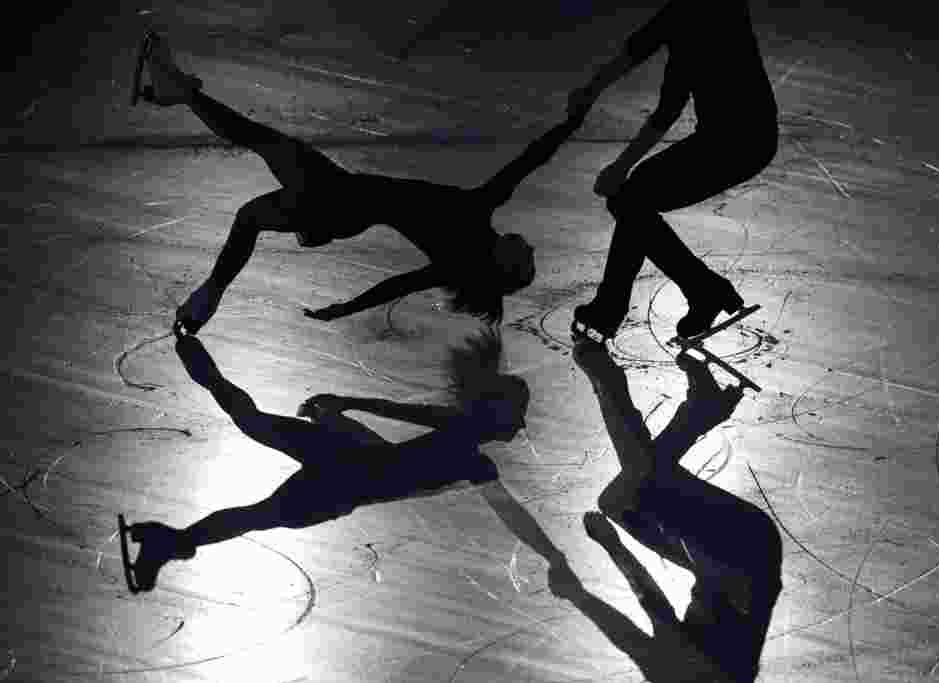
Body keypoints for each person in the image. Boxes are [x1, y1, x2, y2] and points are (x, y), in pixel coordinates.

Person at [136, 32, 584, 330]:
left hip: (337, 200)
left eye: (525, 260)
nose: (530, 248)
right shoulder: (465, 246)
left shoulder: (478, 213)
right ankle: (204, 302)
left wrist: (572, 124)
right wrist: (344, 309)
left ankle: (180, 92)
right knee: (251, 209)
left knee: (263, 144)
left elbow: (532, 159)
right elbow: (397, 287)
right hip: (342, 205)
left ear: (501, 265)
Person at [121, 325, 529, 592]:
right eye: (518, 417)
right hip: (345, 482)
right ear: (497, 416)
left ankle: (192, 351)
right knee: (255, 512)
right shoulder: (475, 460)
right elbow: (517, 519)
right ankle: (170, 541)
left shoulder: (462, 433)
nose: (522, 427)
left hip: (347, 453)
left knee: (251, 424)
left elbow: (395, 415)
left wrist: (342, 409)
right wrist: (552, 558)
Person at [550, 339, 782, 682]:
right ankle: (610, 381)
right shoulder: (678, 676)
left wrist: (608, 553)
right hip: (741, 553)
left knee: (624, 496)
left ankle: (699, 410)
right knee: (639, 487)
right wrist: (583, 590)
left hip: (739, 558)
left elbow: (644, 612)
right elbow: (642, 612)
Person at [567, 0, 778, 343]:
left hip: (734, 143)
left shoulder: (694, 15)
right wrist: (590, 94)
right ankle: (644, 300)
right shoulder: (693, 17)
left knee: (631, 197)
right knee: (634, 198)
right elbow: (643, 61)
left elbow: (649, 80)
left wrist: (619, 165)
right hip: (745, 141)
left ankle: (686, 292)